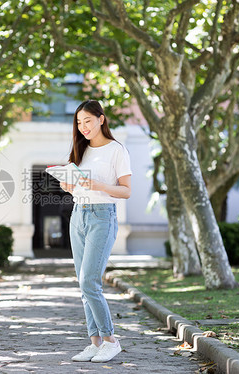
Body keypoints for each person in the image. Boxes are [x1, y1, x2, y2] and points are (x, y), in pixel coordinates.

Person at [60, 100, 132, 363]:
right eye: (79, 123)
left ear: (101, 119)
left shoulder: (116, 150)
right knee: (83, 283)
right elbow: (78, 186)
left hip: (103, 216)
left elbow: (126, 190)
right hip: (78, 215)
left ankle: (111, 340)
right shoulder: (81, 149)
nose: (83, 127)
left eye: (87, 121)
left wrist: (98, 185)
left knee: (89, 281)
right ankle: (95, 342)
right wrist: (70, 186)